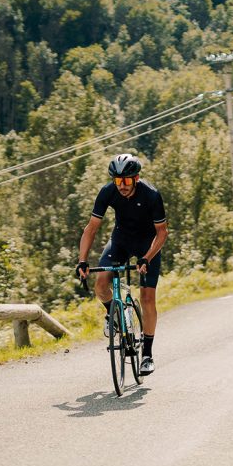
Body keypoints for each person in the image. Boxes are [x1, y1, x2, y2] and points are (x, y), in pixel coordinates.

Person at [76, 154, 168, 375]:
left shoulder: (151, 194)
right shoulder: (108, 192)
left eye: (126, 180)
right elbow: (91, 228)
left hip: (148, 245)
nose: (122, 186)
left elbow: (162, 233)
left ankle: (147, 354)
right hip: (121, 242)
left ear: (136, 178)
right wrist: (82, 260)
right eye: (118, 181)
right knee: (100, 285)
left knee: (147, 298)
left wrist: (147, 257)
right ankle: (114, 315)